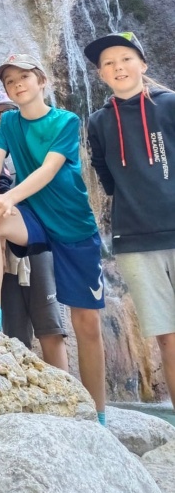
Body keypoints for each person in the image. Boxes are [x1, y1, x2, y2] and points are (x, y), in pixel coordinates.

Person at [0, 54, 106, 421]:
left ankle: (98, 414)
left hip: (73, 226)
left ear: (41, 81)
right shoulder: (9, 121)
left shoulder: (66, 121)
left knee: (87, 324)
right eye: (10, 81)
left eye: (24, 77)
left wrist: (7, 197)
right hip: (35, 218)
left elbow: (48, 169)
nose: (17, 85)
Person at [85, 32, 175, 404]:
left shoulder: (169, 104)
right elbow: (105, 175)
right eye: (108, 63)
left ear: (142, 64)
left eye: (125, 58)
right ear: (101, 74)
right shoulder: (98, 122)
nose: (118, 67)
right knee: (168, 338)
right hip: (135, 240)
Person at [0, 89, 68, 366]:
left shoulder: (35, 146)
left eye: (7, 110)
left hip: (37, 241)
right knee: (13, 332)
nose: (1, 117)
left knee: (50, 325)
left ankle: (66, 391)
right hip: (0, 252)